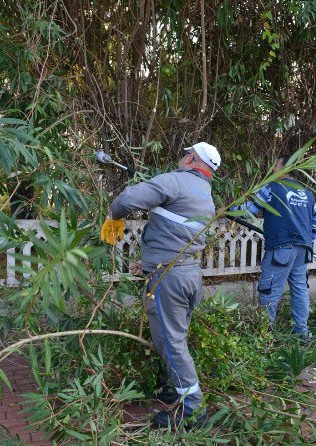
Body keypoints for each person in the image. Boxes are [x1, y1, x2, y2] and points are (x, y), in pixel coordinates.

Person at [100, 142, 221, 427]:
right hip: (188, 273)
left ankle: (193, 410)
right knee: (175, 338)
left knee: (172, 342)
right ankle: (170, 386)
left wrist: (113, 216)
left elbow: (128, 199)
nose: (181, 157)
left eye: (184, 153)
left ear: (191, 157)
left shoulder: (177, 181)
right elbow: (177, 235)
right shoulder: (205, 192)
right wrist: (149, 263)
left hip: (170, 279)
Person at [230, 154, 316, 338]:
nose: (272, 169)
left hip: (281, 250)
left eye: (275, 166)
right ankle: (301, 332)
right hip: (302, 250)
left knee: (270, 290)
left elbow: (248, 211)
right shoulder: (307, 193)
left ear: (284, 169)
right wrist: (305, 237)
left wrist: (227, 211)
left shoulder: (272, 188)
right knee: (300, 290)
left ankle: (265, 336)